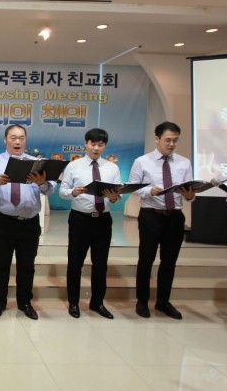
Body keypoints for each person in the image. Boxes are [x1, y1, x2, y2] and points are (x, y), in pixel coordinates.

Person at [0, 124, 54, 320]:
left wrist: (42, 183)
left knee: (27, 265)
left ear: (25, 140)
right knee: (0, 264)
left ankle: (25, 302)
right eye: (13, 137)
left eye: (21, 138)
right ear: (5, 140)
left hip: (29, 223)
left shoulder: (37, 164)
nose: (17, 141)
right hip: (2, 221)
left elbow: (50, 189)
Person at [128, 121, 195, 320]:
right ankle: (142, 301)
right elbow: (133, 186)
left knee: (169, 261)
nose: (172, 144)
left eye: (175, 140)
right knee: (146, 259)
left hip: (175, 217)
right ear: (157, 139)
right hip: (151, 215)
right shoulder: (142, 161)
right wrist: (149, 190)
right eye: (168, 140)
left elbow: (190, 193)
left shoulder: (184, 163)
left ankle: (163, 301)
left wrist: (190, 194)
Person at [59, 128, 121, 319]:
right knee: (75, 262)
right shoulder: (73, 166)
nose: (96, 148)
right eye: (93, 144)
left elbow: (117, 195)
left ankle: (97, 303)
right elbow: (62, 192)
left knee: (100, 263)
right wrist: (73, 192)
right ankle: (74, 303)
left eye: (100, 145)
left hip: (103, 220)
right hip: (80, 219)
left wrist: (114, 197)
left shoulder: (112, 168)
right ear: (85, 144)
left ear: (105, 146)